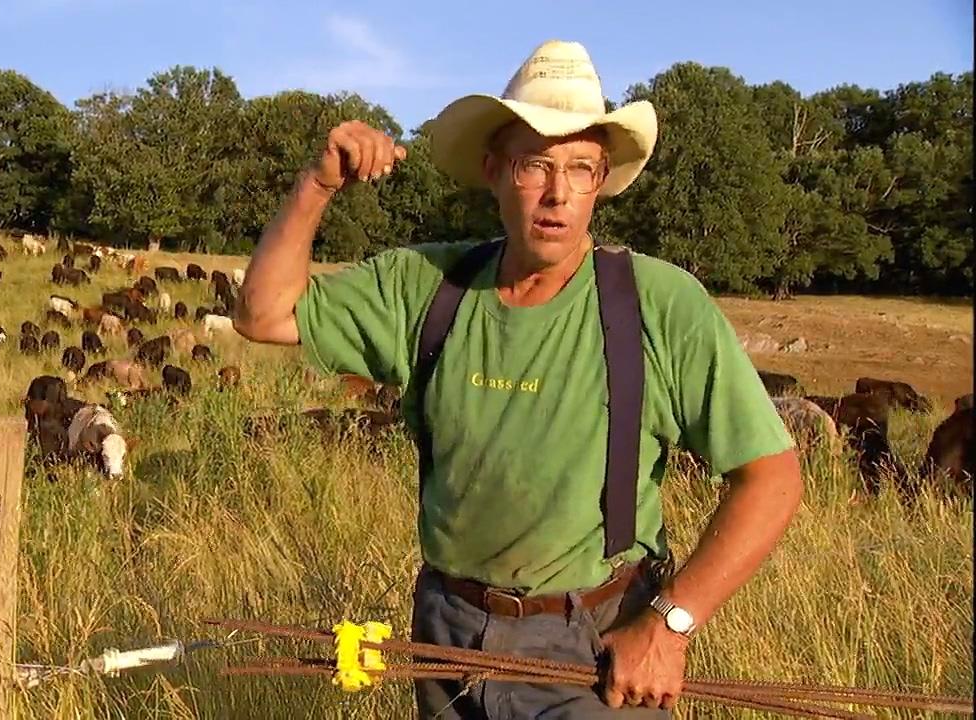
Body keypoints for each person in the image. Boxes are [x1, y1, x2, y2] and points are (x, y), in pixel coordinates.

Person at [233, 39, 803, 719]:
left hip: (594, 648)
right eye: (536, 165)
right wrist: (317, 185)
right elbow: (262, 315)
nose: (559, 194)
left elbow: (772, 478)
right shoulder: (427, 286)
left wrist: (669, 624)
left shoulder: (660, 305)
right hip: (446, 634)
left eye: (582, 169)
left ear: (601, 181)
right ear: (495, 171)